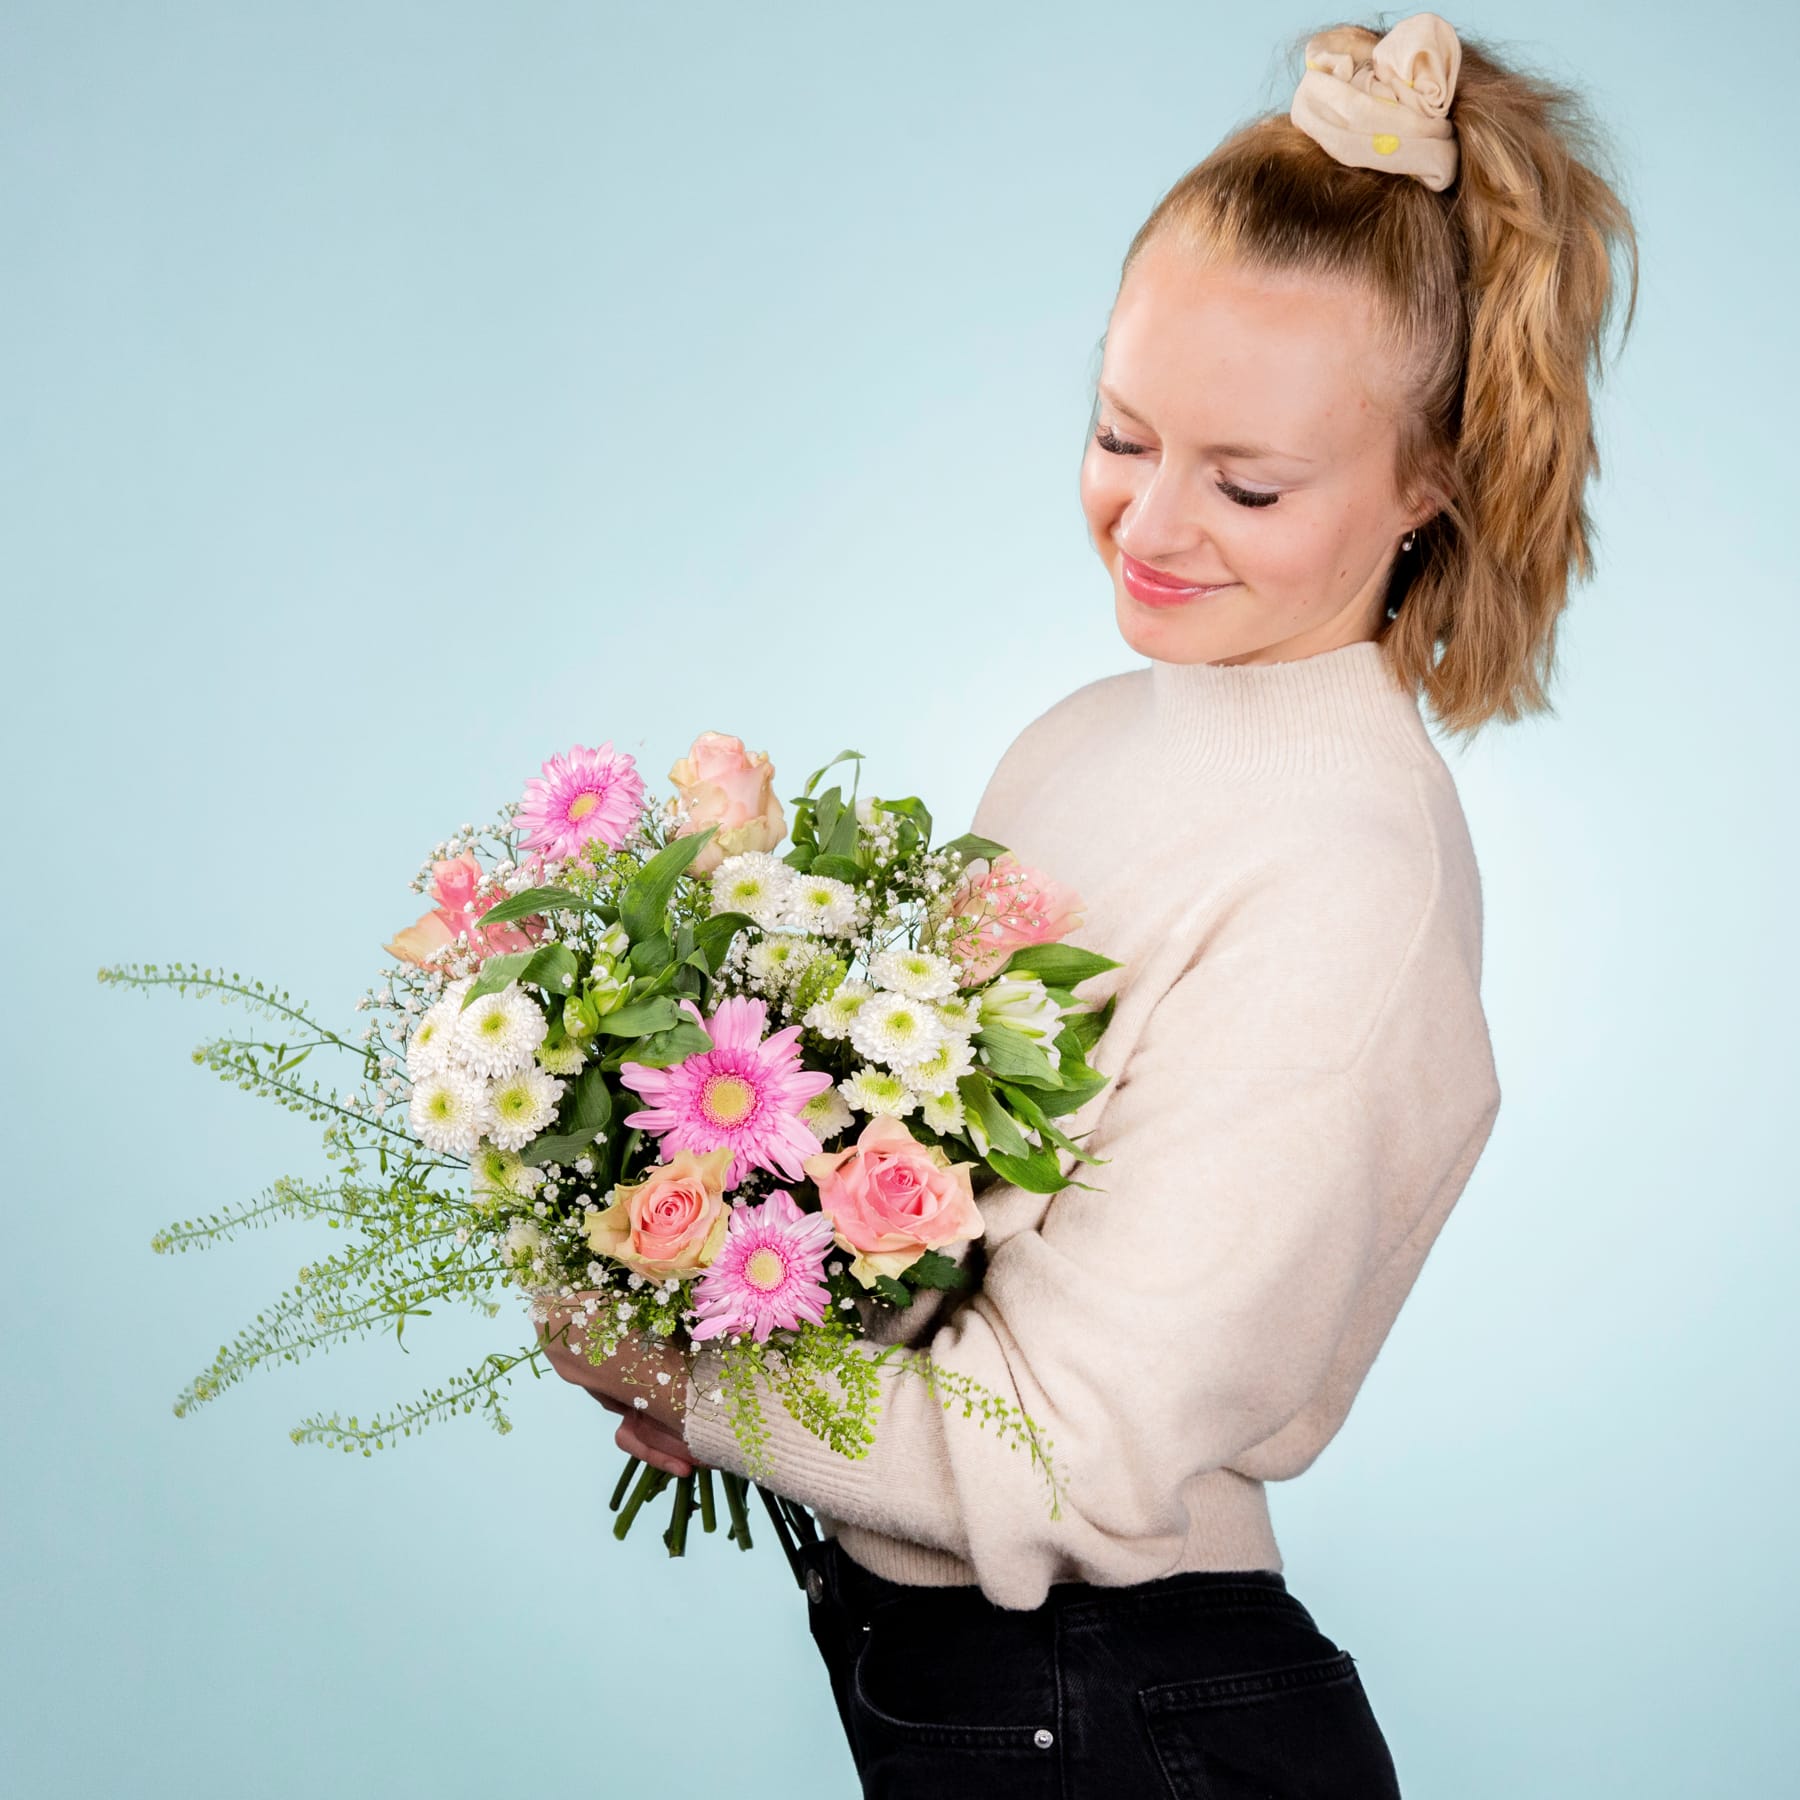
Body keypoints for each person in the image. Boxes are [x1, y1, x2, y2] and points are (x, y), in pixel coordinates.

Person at [542, 12, 1638, 1794]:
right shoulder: (1085, 738)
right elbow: (947, 1235)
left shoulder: (1350, 878)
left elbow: (1070, 1453)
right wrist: (701, 1258)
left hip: (1130, 1714)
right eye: (1123, 435)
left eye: (1250, 483)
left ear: (1429, 485)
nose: (1153, 525)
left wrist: (708, 1388)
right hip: (990, 1684)